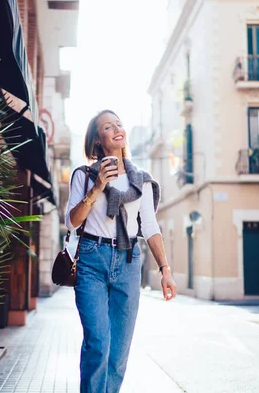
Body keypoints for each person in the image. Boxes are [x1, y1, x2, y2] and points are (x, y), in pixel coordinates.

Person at [66, 110, 178, 393]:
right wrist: (98, 186)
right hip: (92, 259)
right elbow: (73, 220)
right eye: (108, 126)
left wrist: (165, 270)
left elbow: (150, 227)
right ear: (98, 139)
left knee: (118, 352)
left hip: (128, 261)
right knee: (98, 342)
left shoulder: (141, 179)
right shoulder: (84, 175)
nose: (117, 128)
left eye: (119, 124)